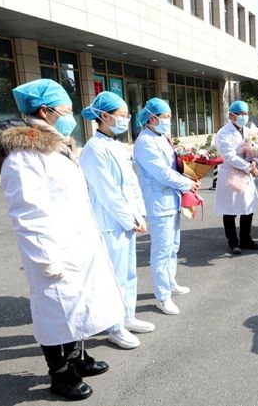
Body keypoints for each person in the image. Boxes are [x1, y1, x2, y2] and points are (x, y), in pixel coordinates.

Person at [0, 79, 125, 400]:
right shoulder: (24, 154)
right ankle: (60, 373)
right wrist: (45, 258)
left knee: (77, 306)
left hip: (76, 244)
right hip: (52, 250)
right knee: (54, 312)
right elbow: (27, 212)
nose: (70, 115)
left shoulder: (55, 145)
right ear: (45, 111)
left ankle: (77, 358)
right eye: (66, 109)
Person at [80, 92, 155, 349]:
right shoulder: (93, 149)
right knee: (114, 277)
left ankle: (127, 315)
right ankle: (114, 326)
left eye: (127, 115)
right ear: (104, 116)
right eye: (121, 115)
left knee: (129, 273)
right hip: (110, 223)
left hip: (126, 221)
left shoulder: (116, 145)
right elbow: (108, 192)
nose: (126, 119)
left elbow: (131, 184)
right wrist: (128, 219)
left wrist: (139, 214)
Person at [133, 98, 200, 316]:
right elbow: (162, 173)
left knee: (173, 247)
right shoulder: (145, 142)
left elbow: (174, 166)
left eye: (170, 116)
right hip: (158, 202)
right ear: (151, 118)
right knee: (161, 251)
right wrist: (187, 183)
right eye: (165, 117)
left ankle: (170, 282)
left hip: (172, 200)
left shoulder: (161, 137)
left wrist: (190, 175)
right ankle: (162, 296)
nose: (168, 120)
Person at [214, 100, 258, 255]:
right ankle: (233, 242)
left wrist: (255, 162)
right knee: (230, 209)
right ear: (231, 115)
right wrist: (249, 167)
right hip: (231, 173)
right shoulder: (223, 133)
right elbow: (228, 156)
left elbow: (257, 149)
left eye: (246, 113)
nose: (243, 116)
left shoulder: (249, 131)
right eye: (240, 113)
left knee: (248, 207)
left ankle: (246, 239)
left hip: (246, 174)